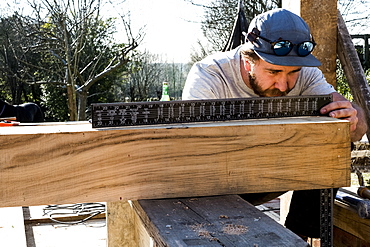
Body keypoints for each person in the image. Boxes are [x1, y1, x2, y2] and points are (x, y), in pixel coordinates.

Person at [182, 8, 367, 240]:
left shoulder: (307, 73)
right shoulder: (209, 75)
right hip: (220, 181)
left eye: (292, 73)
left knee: (332, 140)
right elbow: (192, 156)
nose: (283, 85)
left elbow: (356, 130)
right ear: (248, 60)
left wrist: (352, 119)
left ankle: (298, 238)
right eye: (273, 71)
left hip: (278, 174)